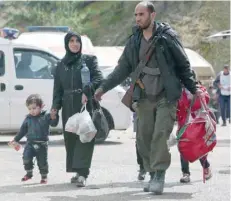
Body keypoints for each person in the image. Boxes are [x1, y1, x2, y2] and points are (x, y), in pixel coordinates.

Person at [94, 1, 201, 194]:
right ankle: (152, 173)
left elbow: (183, 64)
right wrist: (103, 87)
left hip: (166, 96)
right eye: (136, 15)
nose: (137, 18)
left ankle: (159, 174)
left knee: (160, 135)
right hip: (142, 96)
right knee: (143, 139)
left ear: (152, 15)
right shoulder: (134, 40)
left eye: (141, 14)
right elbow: (122, 69)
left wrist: (194, 89)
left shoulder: (168, 38)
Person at [51, 31, 103, 187]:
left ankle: (83, 173)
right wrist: (55, 107)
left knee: (85, 136)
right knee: (71, 139)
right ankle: (77, 171)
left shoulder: (88, 60)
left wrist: (87, 91)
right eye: (71, 41)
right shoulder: (60, 65)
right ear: (66, 44)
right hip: (68, 105)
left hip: (85, 105)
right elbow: (57, 90)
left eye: (77, 41)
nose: (75, 44)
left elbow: (99, 78)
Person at [9, 94, 59, 184]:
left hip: (42, 144)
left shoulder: (46, 116)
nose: (32, 111)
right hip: (30, 143)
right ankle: (29, 174)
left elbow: (54, 124)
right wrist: (15, 140)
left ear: (41, 106)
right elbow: (22, 131)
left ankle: (44, 176)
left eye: (34, 108)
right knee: (26, 158)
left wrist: (54, 117)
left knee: (42, 162)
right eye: (30, 109)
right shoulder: (28, 118)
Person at [177, 71, 212, 183]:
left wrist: (196, 94)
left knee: (199, 147)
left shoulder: (200, 89)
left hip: (198, 124)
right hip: (184, 123)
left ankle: (206, 166)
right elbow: (178, 107)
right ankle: (186, 173)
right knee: (183, 147)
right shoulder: (179, 91)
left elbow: (205, 100)